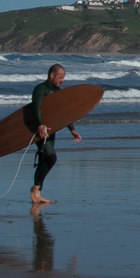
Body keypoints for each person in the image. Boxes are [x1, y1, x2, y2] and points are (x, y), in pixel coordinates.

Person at [27, 63, 82, 213]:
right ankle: (35, 190)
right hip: (39, 130)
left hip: (50, 130)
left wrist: (72, 129)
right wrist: (39, 125)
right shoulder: (41, 89)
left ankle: (36, 192)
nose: (62, 80)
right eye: (60, 77)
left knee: (46, 159)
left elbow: (63, 113)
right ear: (51, 75)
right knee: (50, 157)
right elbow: (36, 107)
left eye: (63, 78)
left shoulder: (58, 92)